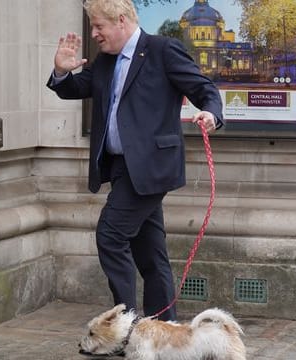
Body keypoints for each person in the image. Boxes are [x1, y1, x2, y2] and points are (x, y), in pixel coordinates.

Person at [46, 0, 223, 321]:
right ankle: (164, 325)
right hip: (121, 169)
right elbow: (75, 88)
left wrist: (211, 112)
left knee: (110, 235)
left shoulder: (162, 50)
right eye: (93, 27)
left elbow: (203, 87)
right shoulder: (104, 61)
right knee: (150, 254)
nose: (94, 34)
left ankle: (124, 323)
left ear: (122, 20)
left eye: (99, 26)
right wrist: (61, 71)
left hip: (152, 167)